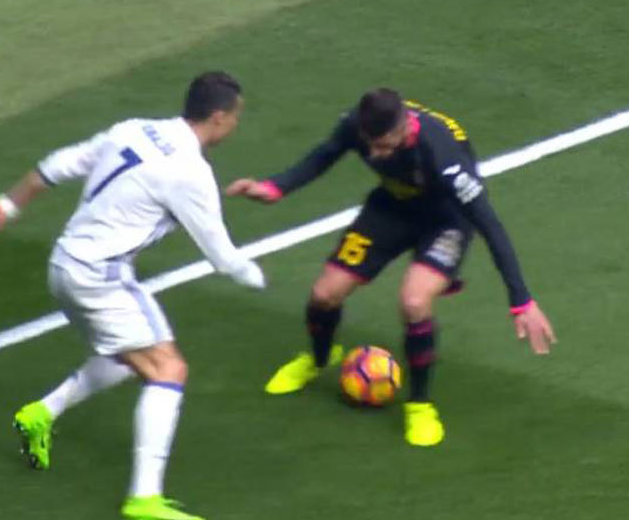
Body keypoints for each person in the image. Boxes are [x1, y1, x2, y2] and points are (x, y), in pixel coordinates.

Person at [0, 71, 264, 520]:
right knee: (169, 368)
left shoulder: (132, 129)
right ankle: (144, 497)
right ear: (218, 117)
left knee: (130, 355)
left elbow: (59, 164)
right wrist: (256, 277)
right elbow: (222, 256)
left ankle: (41, 413)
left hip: (64, 264)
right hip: (99, 277)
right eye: (236, 118)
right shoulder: (190, 172)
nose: (236, 126)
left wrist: (7, 206)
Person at [226, 88, 556, 447]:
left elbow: (491, 225)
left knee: (414, 302)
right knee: (324, 294)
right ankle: (319, 359)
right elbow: (326, 153)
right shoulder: (359, 124)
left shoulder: (443, 155)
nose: (375, 154)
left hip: (445, 221)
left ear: (405, 128)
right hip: (391, 208)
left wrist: (521, 300)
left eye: (384, 147)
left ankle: (419, 405)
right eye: (370, 145)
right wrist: (275, 188)